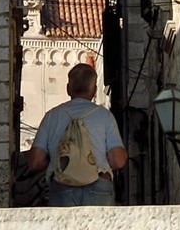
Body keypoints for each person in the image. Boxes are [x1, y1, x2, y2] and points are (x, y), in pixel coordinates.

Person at [27, 62, 127, 206]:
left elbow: (35, 161)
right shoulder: (105, 117)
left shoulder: (52, 116)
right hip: (98, 188)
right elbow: (118, 160)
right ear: (94, 91)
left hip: (62, 188)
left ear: (68, 89)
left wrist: (56, 160)